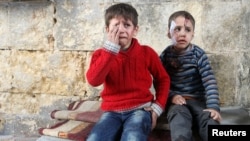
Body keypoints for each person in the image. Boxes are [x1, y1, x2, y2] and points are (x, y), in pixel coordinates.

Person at [86, 3, 170, 141]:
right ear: (107, 29)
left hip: (140, 109)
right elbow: (94, 81)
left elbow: (163, 79)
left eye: (126, 25)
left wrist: (157, 107)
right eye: (116, 25)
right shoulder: (101, 55)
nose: (121, 30)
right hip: (111, 112)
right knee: (95, 138)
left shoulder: (146, 52)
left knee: (133, 137)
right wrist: (110, 51)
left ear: (135, 30)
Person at [159, 10, 222, 141]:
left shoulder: (198, 55)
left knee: (208, 118)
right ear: (168, 32)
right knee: (179, 120)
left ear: (192, 34)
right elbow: (160, 82)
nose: (182, 33)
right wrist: (172, 96)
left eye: (187, 30)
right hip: (177, 102)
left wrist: (213, 107)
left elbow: (209, 82)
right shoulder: (165, 56)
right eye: (177, 29)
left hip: (198, 100)